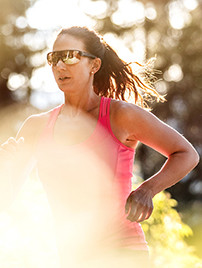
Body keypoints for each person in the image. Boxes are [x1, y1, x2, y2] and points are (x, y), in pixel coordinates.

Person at [0, 26, 199, 267]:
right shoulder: (36, 127)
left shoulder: (120, 116)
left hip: (122, 253)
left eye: (70, 56)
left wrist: (147, 189)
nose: (60, 66)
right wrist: (6, 167)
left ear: (94, 65)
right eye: (54, 58)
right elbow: (8, 198)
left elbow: (186, 153)